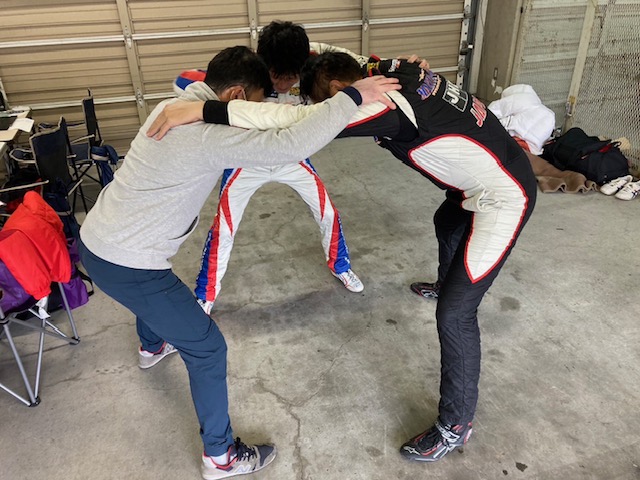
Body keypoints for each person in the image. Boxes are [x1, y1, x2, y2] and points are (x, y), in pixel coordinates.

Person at [148, 53, 537, 464]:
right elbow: (323, 51)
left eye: (326, 101)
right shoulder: (384, 68)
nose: (327, 109)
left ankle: (455, 426)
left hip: (503, 197)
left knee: (456, 314)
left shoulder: (377, 105)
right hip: (478, 180)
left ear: (337, 89)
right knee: (448, 221)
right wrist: (282, 55)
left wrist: (203, 110)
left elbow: (294, 123)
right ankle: (446, 282)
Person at [79, 45, 400, 479]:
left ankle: (152, 347)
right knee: (208, 348)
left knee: (159, 295)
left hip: (98, 239)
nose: (256, 112)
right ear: (235, 96)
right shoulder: (210, 135)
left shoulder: (171, 106)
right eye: (255, 104)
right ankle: (221, 456)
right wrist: (353, 97)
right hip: (128, 263)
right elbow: (292, 143)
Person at [174, 21, 372, 315]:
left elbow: (359, 65)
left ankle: (340, 266)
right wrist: (201, 106)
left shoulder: (313, 68)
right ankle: (206, 294)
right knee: (224, 229)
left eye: (290, 77)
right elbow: (184, 80)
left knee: (328, 213)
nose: (282, 84)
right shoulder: (247, 75)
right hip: (246, 161)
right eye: (276, 76)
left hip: (292, 158)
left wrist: (398, 66)